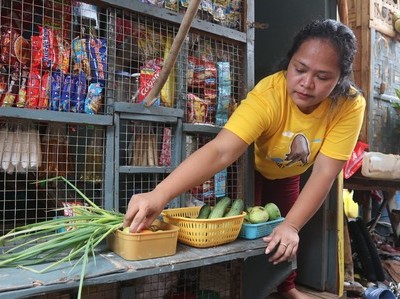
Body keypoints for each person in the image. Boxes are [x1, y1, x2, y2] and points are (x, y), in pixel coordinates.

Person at [123, 19, 366, 299]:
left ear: (340, 79)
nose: (307, 83)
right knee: (245, 227)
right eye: (299, 69)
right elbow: (221, 151)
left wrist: (291, 226)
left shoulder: (349, 104)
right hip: (253, 168)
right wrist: (159, 194)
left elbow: (325, 172)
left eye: (323, 77)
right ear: (290, 62)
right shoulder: (269, 95)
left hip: (289, 172)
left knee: (284, 234)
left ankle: (287, 288)